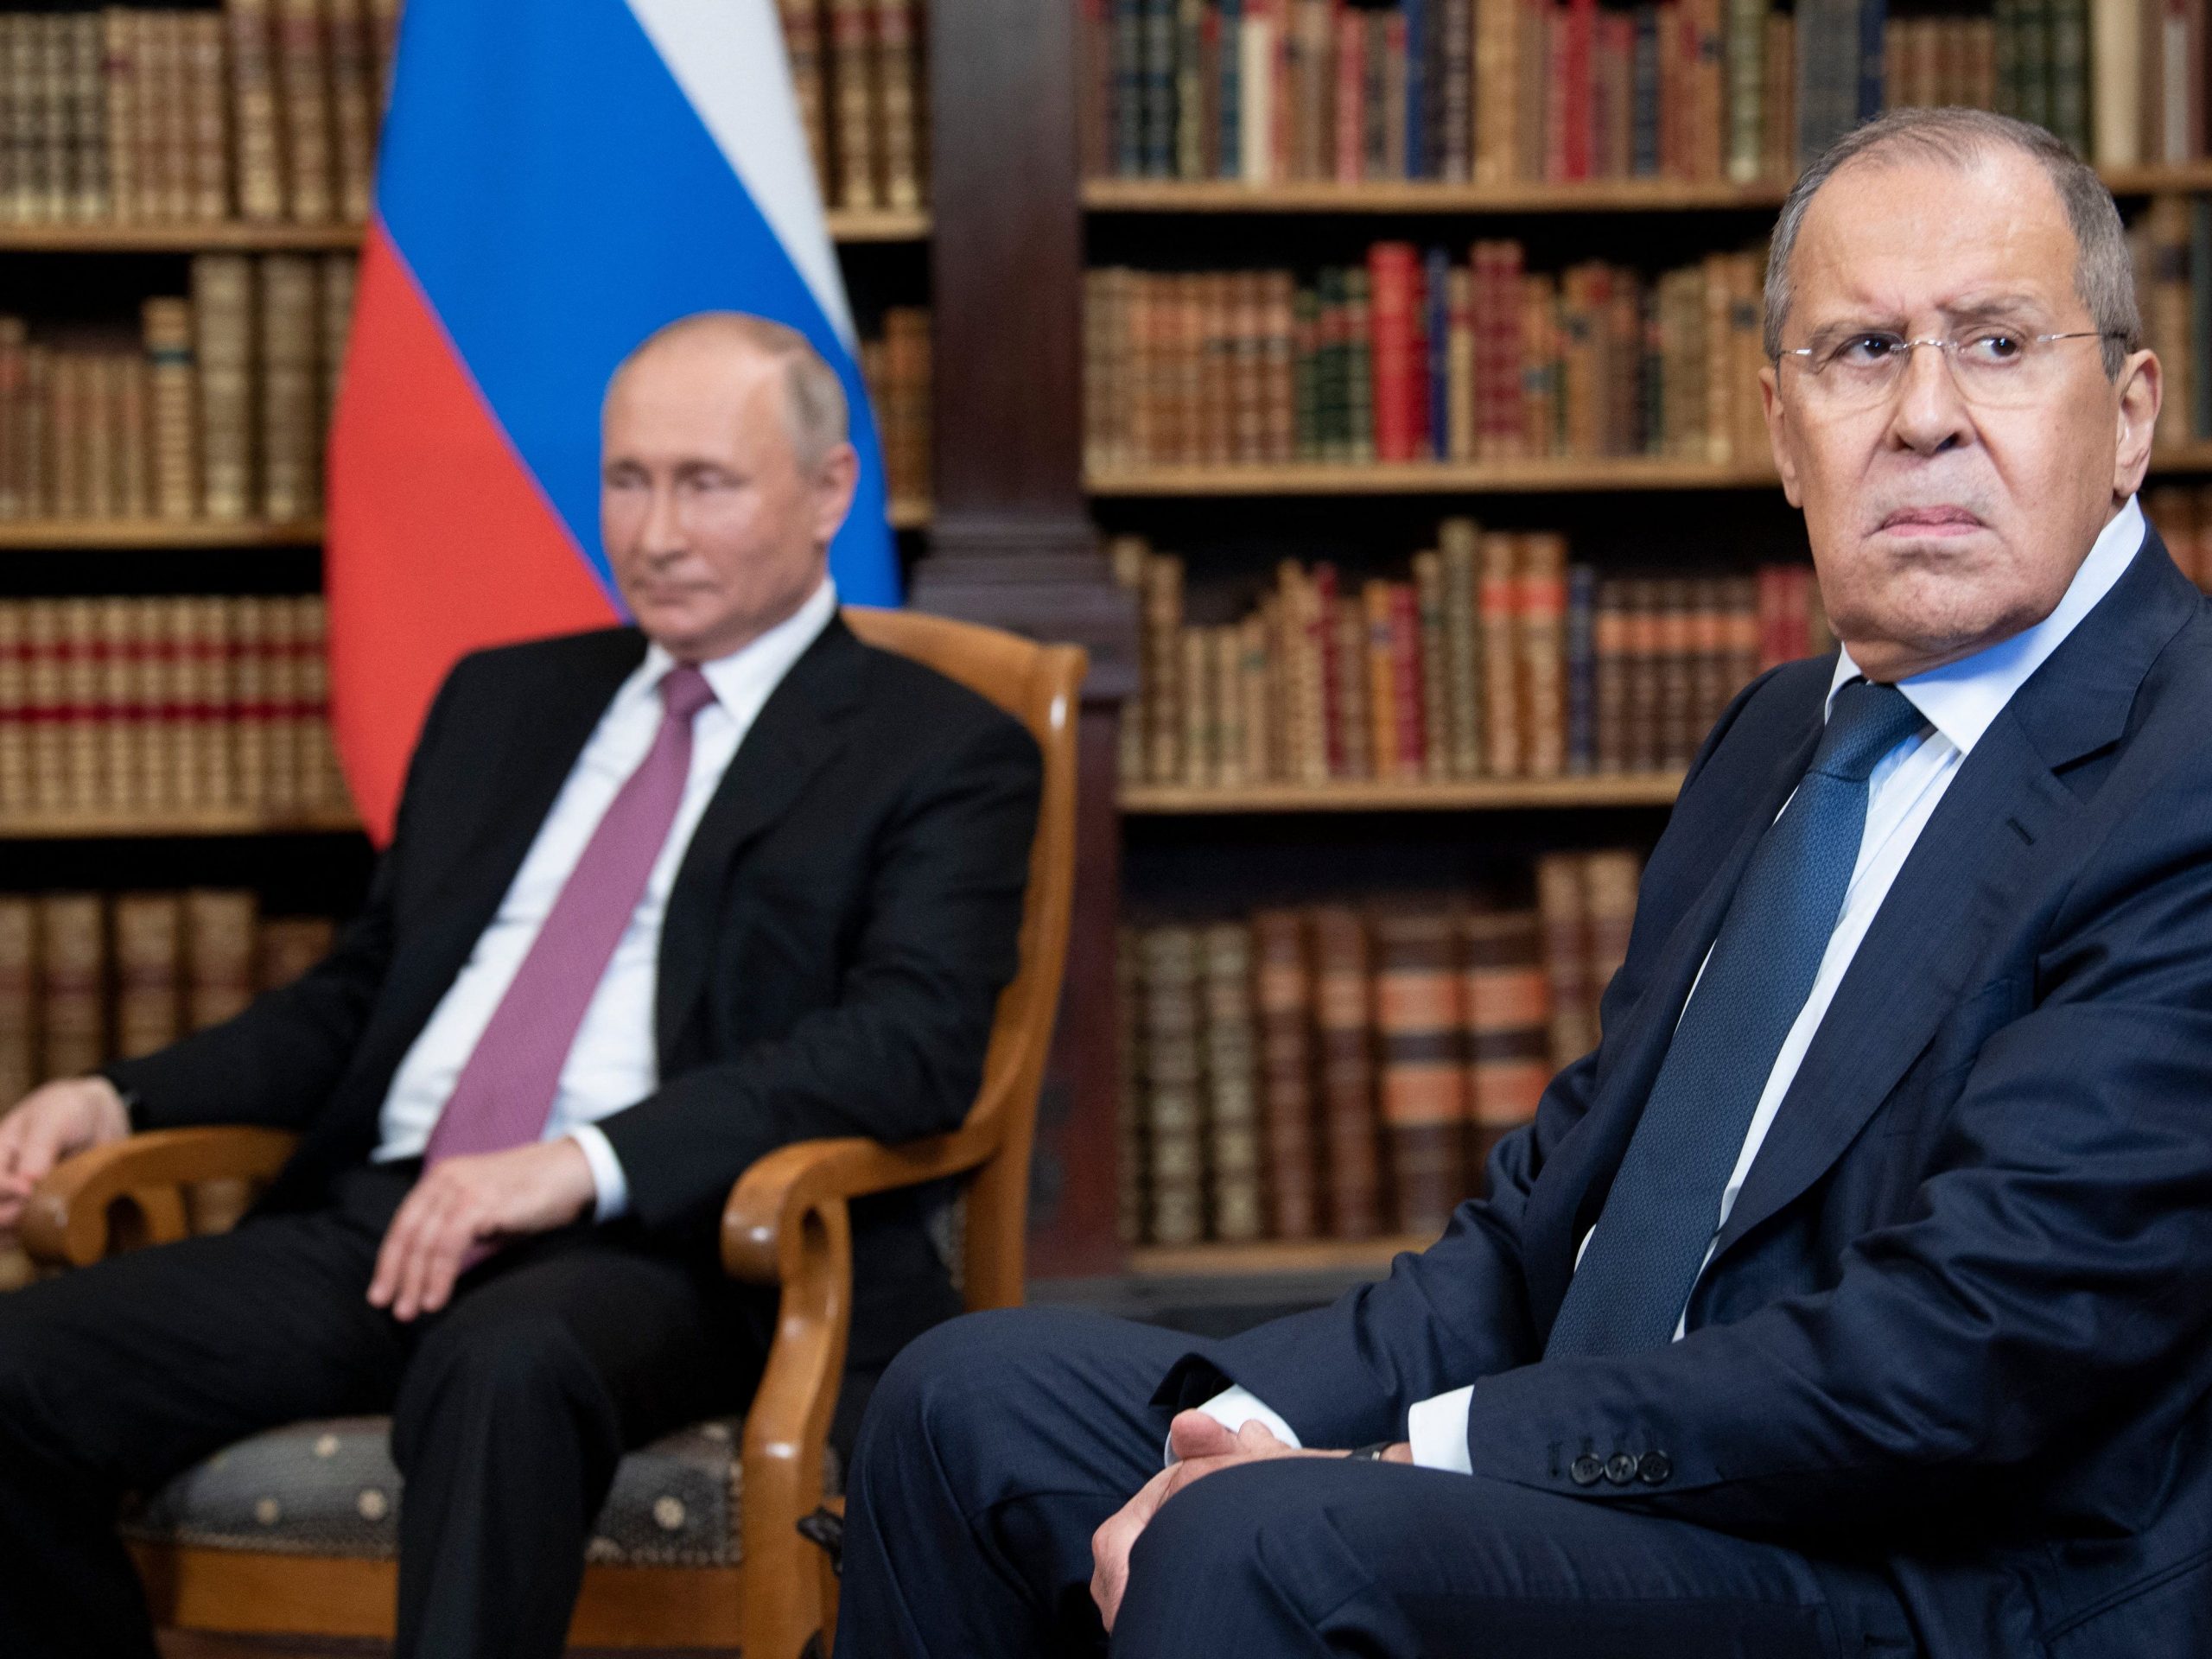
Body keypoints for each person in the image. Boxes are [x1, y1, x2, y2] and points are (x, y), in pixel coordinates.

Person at [833, 109, 2212, 1659]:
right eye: (1862, 352)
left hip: (1938, 1569)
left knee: (1262, 1550)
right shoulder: (1784, 734)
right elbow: (1545, 1226)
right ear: (1781, 429)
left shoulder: (2185, 768)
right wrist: (1255, 1417)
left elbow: (1970, 1354)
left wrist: (1421, 1455)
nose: (1925, 417)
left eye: (2000, 343)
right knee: (965, 1405)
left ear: (2134, 410)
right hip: (1645, 1469)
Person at [0, 313, 1042, 1659]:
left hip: (668, 1244)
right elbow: (359, 998)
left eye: (706, 484)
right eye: (627, 480)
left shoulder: (941, 748)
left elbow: (908, 1048)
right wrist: (118, 1094)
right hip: (388, 1222)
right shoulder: (507, 701)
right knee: (17, 1371)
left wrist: (581, 1162)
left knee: (502, 1365)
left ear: (831, 490)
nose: (655, 532)